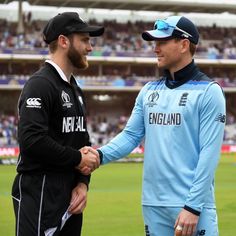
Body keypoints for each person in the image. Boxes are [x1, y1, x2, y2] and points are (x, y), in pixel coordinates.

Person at [88, 15, 226, 235]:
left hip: (191, 208)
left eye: (162, 42)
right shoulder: (148, 91)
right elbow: (131, 136)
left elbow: (209, 154)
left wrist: (192, 206)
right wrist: (98, 156)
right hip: (153, 205)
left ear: (183, 44)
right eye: (155, 43)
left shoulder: (209, 92)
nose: (155, 49)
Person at [11, 12, 103, 236]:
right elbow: (31, 140)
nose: (90, 47)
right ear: (64, 41)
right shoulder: (40, 85)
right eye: (84, 40)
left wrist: (82, 183)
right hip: (41, 190)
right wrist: (78, 159)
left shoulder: (75, 88)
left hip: (71, 195)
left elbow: (82, 140)